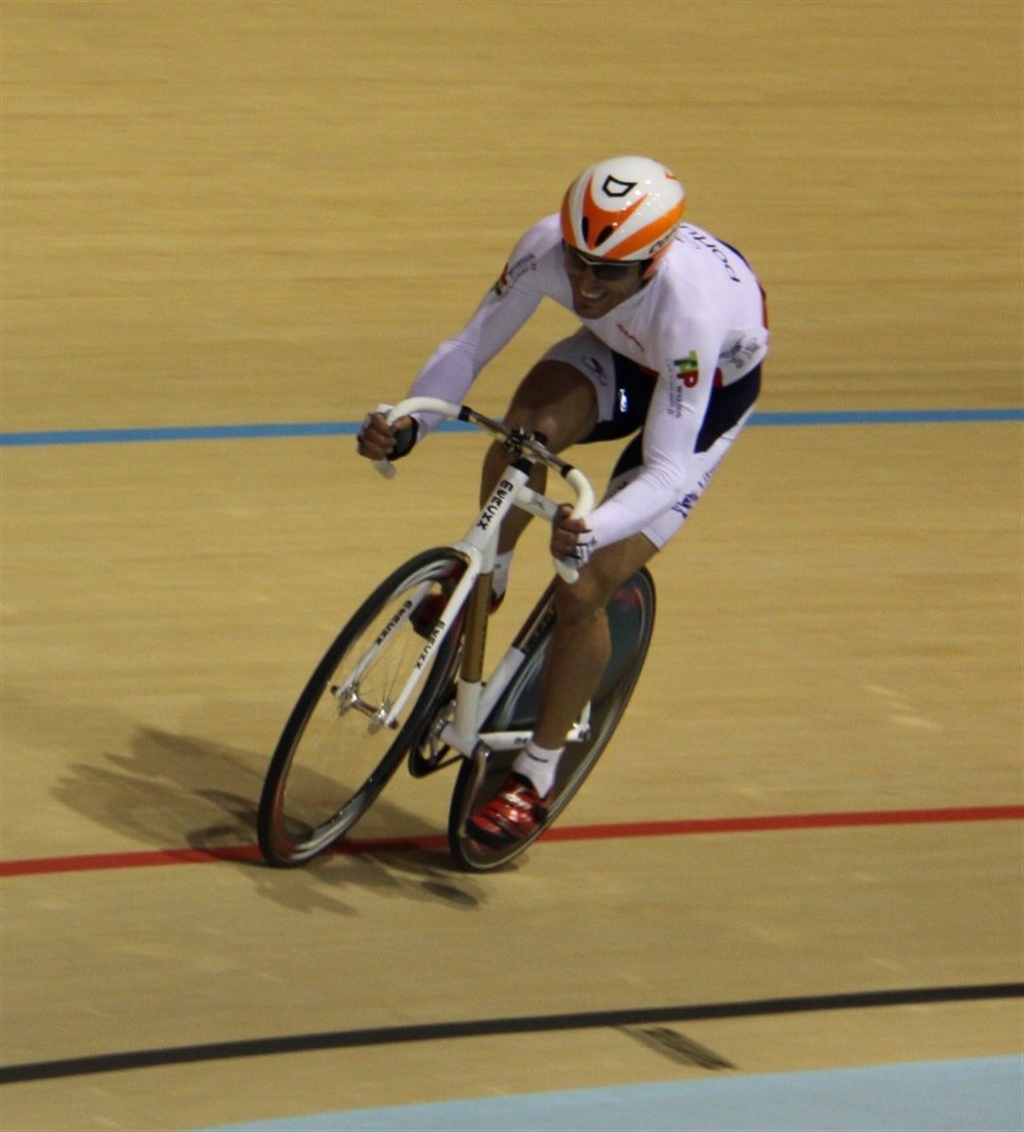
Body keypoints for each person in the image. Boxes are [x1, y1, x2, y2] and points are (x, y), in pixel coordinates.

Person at [357, 155, 768, 849]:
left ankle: (535, 776)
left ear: (653, 261)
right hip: (618, 356)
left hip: (703, 398)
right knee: (523, 437)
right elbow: (468, 347)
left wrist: (591, 527)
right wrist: (409, 424)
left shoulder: (691, 311)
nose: (583, 283)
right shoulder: (547, 245)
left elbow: (666, 469)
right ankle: (488, 579)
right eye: (577, 262)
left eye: (606, 272)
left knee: (585, 589)